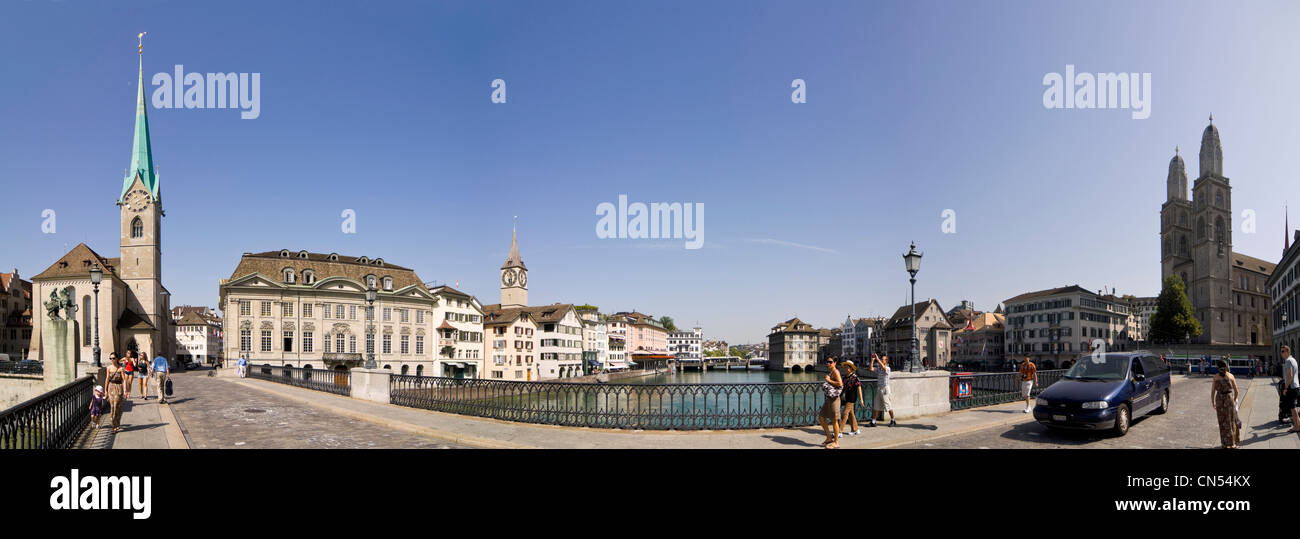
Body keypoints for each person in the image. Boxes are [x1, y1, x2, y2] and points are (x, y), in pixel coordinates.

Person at [1211, 359, 1240, 448]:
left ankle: (1224, 444)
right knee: (1231, 421)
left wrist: (1213, 402)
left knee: (1222, 421)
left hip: (1219, 400)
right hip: (1229, 399)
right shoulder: (1231, 376)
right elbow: (1236, 391)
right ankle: (1232, 444)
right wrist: (1234, 400)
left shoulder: (1215, 377)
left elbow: (1212, 392)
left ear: (1218, 367)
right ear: (1226, 366)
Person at [818, 357, 843, 448]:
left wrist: (828, 380)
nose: (828, 363)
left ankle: (836, 442)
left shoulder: (836, 372)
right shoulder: (831, 372)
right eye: (827, 362)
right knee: (821, 417)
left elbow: (840, 384)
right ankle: (829, 437)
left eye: (830, 362)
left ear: (835, 363)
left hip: (834, 400)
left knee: (834, 420)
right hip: (829, 399)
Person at [869, 354, 895, 427]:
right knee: (876, 405)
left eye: (883, 359)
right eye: (881, 359)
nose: (881, 360)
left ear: (886, 361)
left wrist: (877, 359)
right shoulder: (879, 368)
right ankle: (873, 421)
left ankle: (893, 420)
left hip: (885, 389)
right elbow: (871, 369)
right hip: (879, 388)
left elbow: (883, 367)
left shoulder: (887, 368)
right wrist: (872, 360)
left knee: (888, 406)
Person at [838, 360, 863, 436]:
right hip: (846, 398)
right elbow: (841, 387)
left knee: (845, 413)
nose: (846, 368)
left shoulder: (855, 377)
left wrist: (861, 399)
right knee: (851, 414)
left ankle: (839, 431)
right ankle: (855, 429)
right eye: (845, 366)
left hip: (852, 399)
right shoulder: (845, 377)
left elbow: (859, 388)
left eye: (847, 367)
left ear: (851, 368)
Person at [104, 354, 126, 433]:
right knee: (112, 406)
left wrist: (125, 391)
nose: (112, 360)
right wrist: (105, 390)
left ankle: (117, 423)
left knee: (117, 406)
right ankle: (114, 425)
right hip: (111, 387)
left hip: (118, 387)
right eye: (110, 358)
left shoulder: (121, 369)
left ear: (117, 359)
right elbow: (107, 379)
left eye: (113, 358)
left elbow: (124, 380)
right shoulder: (108, 368)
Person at [1282, 345, 1299, 432]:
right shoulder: (1294, 360)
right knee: (1294, 407)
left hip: (1291, 387)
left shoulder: (1288, 361)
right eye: (1281, 351)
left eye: (1283, 351)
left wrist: (1285, 388)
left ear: (1288, 352)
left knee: (1293, 408)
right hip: (1296, 386)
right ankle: (1298, 424)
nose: (1282, 354)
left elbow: (1290, 375)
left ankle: (1296, 426)